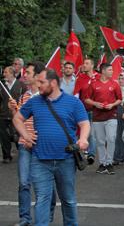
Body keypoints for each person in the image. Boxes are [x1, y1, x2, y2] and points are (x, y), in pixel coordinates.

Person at [12, 68, 90, 226]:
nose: (38, 85)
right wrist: (26, 135)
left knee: (68, 199)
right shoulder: (34, 101)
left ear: (53, 83)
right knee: (42, 199)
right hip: (39, 160)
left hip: (66, 160)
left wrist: (83, 139)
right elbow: (17, 118)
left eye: (42, 82)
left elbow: (84, 123)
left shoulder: (73, 102)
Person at [8, 61, 56, 226]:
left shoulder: (48, 97)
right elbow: (19, 120)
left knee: (46, 183)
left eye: (27, 72)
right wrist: (14, 109)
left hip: (42, 146)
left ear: (37, 76)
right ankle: (25, 218)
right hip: (24, 145)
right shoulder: (23, 96)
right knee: (23, 182)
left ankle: (48, 215)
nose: (24, 75)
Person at [84, 63, 122, 175]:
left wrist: (112, 105)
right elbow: (86, 99)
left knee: (111, 138)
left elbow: (119, 99)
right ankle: (102, 163)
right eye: (110, 70)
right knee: (100, 141)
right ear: (103, 71)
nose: (112, 72)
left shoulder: (114, 84)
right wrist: (95, 104)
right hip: (97, 117)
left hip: (111, 115)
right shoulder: (94, 84)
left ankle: (109, 162)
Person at [73, 58, 98, 164]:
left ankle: (91, 154)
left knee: (92, 133)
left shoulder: (99, 77)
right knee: (82, 132)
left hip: (96, 110)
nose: (84, 65)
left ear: (92, 65)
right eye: (84, 63)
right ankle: (80, 152)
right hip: (83, 110)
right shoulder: (80, 78)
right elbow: (76, 94)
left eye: (87, 63)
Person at [0, 66, 27, 163]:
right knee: (4, 137)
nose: (4, 74)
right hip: (3, 114)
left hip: (17, 115)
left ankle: (23, 153)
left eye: (6, 72)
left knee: (17, 135)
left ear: (12, 73)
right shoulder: (2, 85)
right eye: (4, 72)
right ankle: (7, 156)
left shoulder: (21, 85)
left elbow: (25, 99)